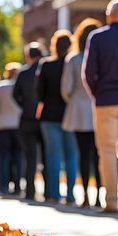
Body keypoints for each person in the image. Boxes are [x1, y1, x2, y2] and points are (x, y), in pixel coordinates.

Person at [82, 0, 118, 213]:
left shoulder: (97, 37)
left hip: (106, 100)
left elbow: (88, 72)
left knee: (107, 151)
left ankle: (112, 202)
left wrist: (97, 93)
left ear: (109, 15)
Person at [62, 18, 103, 207]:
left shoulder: (73, 59)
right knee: (99, 155)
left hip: (78, 110)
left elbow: (66, 89)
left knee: (83, 154)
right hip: (99, 108)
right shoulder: (101, 57)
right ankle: (99, 197)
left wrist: (75, 100)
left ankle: (86, 195)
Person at [36, 30, 79, 204]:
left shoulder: (46, 65)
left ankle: (53, 194)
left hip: (49, 115)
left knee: (52, 155)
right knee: (71, 155)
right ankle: (70, 194)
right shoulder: (72, 64)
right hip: (69, 114)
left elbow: (39, 92)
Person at [13, 42, 46, 201]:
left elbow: (15, 95)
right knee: (47, 153)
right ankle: (49, 191)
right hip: (44, 117)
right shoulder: (45, 69)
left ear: (28, 56)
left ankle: (30, 190)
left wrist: (25, 105)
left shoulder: (23, 73)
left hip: (26, 118)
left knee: (30, 155)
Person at [0, 62, 24, 195]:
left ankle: (3, 185)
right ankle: (18, 185)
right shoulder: (21, 85)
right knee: (18, 155)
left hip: (2, 125)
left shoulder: (1, 86)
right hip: (18, 124)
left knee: (4, 156)